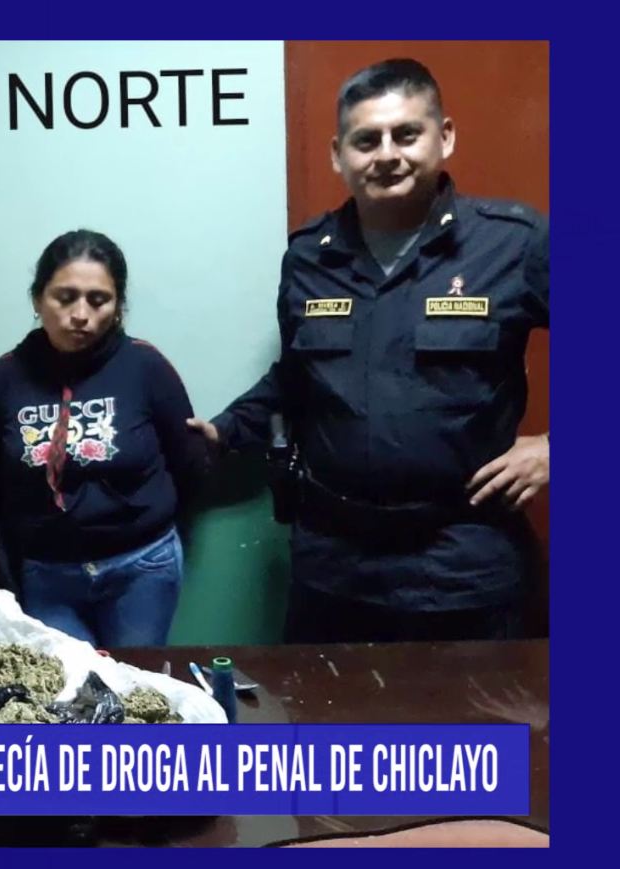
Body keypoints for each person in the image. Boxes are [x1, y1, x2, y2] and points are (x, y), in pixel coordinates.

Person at [188, 59, 550, 643]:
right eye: (366, 140)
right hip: (335, 569)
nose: (387, 154)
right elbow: (297, 380)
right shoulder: (309, 256)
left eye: (406, 134)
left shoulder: (513, 243)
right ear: (338, 154)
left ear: (444, 137)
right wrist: (225, 431)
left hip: (464, 567)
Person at [0, 230, 209, 647]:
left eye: (98, 300)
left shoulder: (146, 367)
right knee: (68, 685)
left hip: (140, 567)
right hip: (46, 574)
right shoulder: (5, 378)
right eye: (65, 297)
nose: (81, 314)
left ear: (118, 307)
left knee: (136, 680)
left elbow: (188, 463)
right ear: (37, 299)